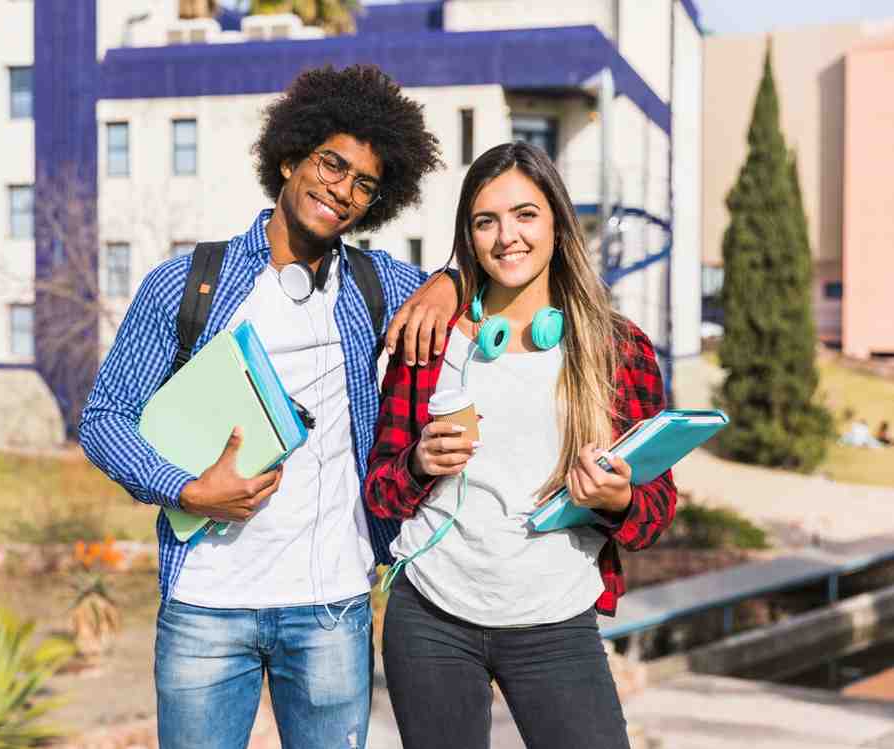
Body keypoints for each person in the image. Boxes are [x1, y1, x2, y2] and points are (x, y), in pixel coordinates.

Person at [79, 65, 457, 749]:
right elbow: (104, 417)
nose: (342, 191)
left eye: (364, 184)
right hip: (206, 608)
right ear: (290, 158)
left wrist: (450, 282)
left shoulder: (379, 284)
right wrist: (190, 489)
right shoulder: (188, 283)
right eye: (331, 165)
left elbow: (482, 281)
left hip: (331, 608)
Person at [364, 141, 678, 749]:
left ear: (558, 225)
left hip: (556, 620)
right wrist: (419, 463)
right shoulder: (431, 342)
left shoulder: (619, 350)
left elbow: (655, 510)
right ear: (469, 237)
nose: (507, 236)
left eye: (525, 214)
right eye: (487, 221)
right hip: (432, 618)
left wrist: (617, 499)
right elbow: (380, 490)